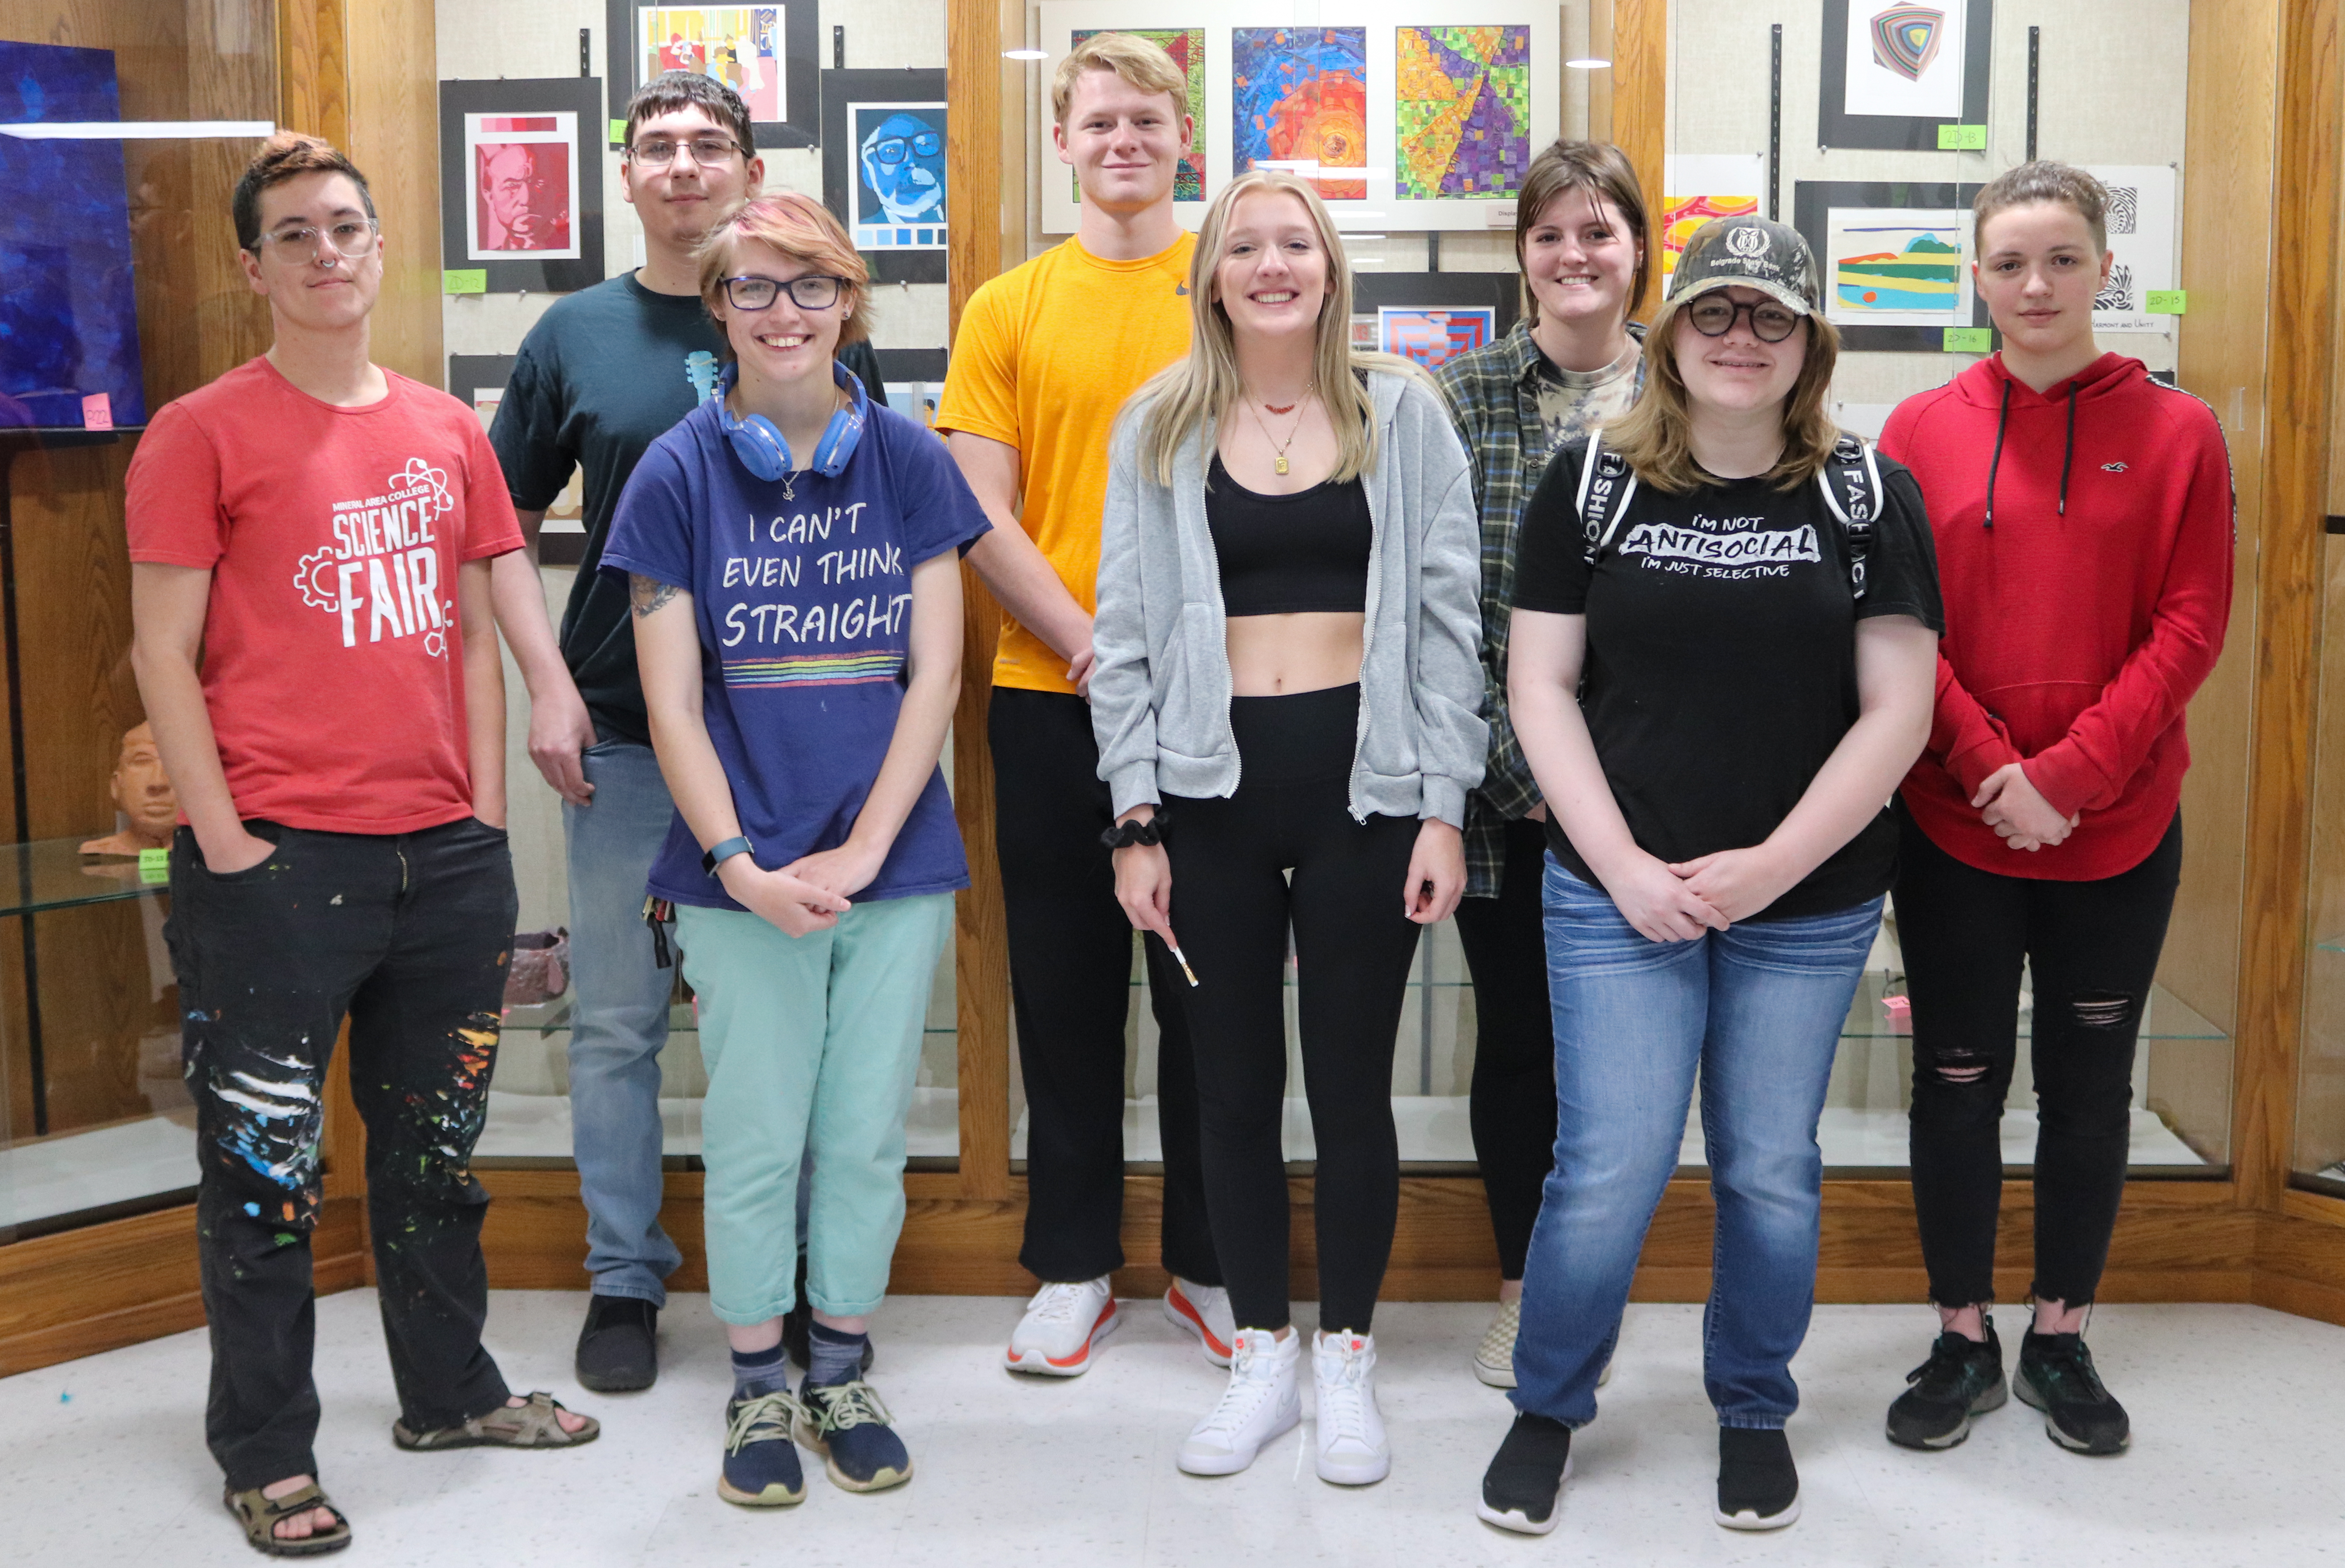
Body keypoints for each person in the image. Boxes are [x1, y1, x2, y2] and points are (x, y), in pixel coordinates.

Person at [127, 132, 597, 1559]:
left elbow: (481, 604)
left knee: (438, 1160)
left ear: (382, 245)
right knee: (266, 1179)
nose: (328, 252)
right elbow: (161, 653)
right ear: (254, 264)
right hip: (277, 861)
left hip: (442, 859)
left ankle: (448, 1394)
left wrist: (488, 820)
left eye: (348, 226)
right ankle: (267, 1453)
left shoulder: (448, 428)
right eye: (295, 234)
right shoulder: (199, 431)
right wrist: (226, 843)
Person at [1475, 215, 1943, 1536]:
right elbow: (1540, 687)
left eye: (1773, 318)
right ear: (1671, 332)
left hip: (1810, 901)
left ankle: (1752, 1408)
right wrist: (1622, 866)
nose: (1743, 340)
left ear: (1811, 345)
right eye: (1717, 313)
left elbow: (1896, 712)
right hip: (1618, 897)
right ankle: (1550, 1407)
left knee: (1767, 1168)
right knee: (1607, 1166)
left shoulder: (1867, 496)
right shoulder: (1591, 483)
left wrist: (1770, 867)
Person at [1094, 168, 1487, 1485]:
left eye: (1297, 244)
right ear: (1212, 273)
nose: (1273, 264)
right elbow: (1127, 638)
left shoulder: (1406, 413)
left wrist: (1444, 806)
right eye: (1246, 245)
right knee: (1231, 1090)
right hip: (1206, 797)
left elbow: (1447, 625)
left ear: (1330, 269)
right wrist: (1133, 819)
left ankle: (1350, 1358)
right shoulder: (1157, 424)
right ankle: (1262, 1348)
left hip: (1364, 791)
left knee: (1353, 1089)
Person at [606, 191, 987, 1506]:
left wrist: (873, 846)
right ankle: (759, 1377)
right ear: (717, 310)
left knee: (867, 1131)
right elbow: (668, 701)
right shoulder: (676, 472)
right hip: (741, 872)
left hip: (893, 858)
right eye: (755, 288)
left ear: (849, 304)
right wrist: (741, 867)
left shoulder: (910, 460)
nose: (784, 312)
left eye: (810, 286)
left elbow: (934, 675)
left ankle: (842, 1361)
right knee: (760, 1131)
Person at [1876, 161, 2233, 1458]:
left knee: (2091, 1089)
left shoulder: (2181, 431)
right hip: (1955, 823)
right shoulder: (1916, 432)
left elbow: (2192, 624)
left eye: (2063, 260)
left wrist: (2070, 779)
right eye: (2011, 261)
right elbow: (1902, 629)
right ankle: (1962, 1333)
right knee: (1958, 1079)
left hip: (2119, 829)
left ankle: (2063, 1332)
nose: (2036, 285)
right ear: (1977, 275)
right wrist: (1991, 773)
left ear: (2102, 272)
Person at [937, 31, 1231, 1375]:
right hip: (1046, 693)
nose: (1123, 141)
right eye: (1098, 121)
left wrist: (1165, 661)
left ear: (1189, 142)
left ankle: (1210, 1265)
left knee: (1206, 989)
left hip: (1213, 704)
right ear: (1062, 144)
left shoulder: (1233, 286)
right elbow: (975, 507)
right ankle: (1071, 1264)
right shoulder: (1009, 307)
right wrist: (1086, 644)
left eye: (1147, 121)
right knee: (1062, 993)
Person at [488, 70, 765, 1393]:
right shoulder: (574, 336)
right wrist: (544, 683)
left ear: (747, 168)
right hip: (618, 734)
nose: (682, 164)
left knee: (774, 1022)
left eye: (709, 144)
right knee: (616, 1026)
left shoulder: (800, 307)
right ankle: (622, 1279)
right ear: (629, 174)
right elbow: (495, 531)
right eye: (658, 146)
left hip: (781, 737)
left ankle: (782, 1275)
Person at [1433, 139, 1650, 1390]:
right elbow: (1443, 608)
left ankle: (1595, 1294)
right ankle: (1525, 1291)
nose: (1577, 255)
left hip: (1653, 796)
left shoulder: (1689, 394)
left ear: (1635, 252)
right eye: (1553, 234)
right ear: (1523, 256)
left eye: (1600, 232)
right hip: (1505, 798)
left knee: (1624, 1073)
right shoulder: (1456, 401)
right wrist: (1517, 770)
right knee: (1520, 1051)